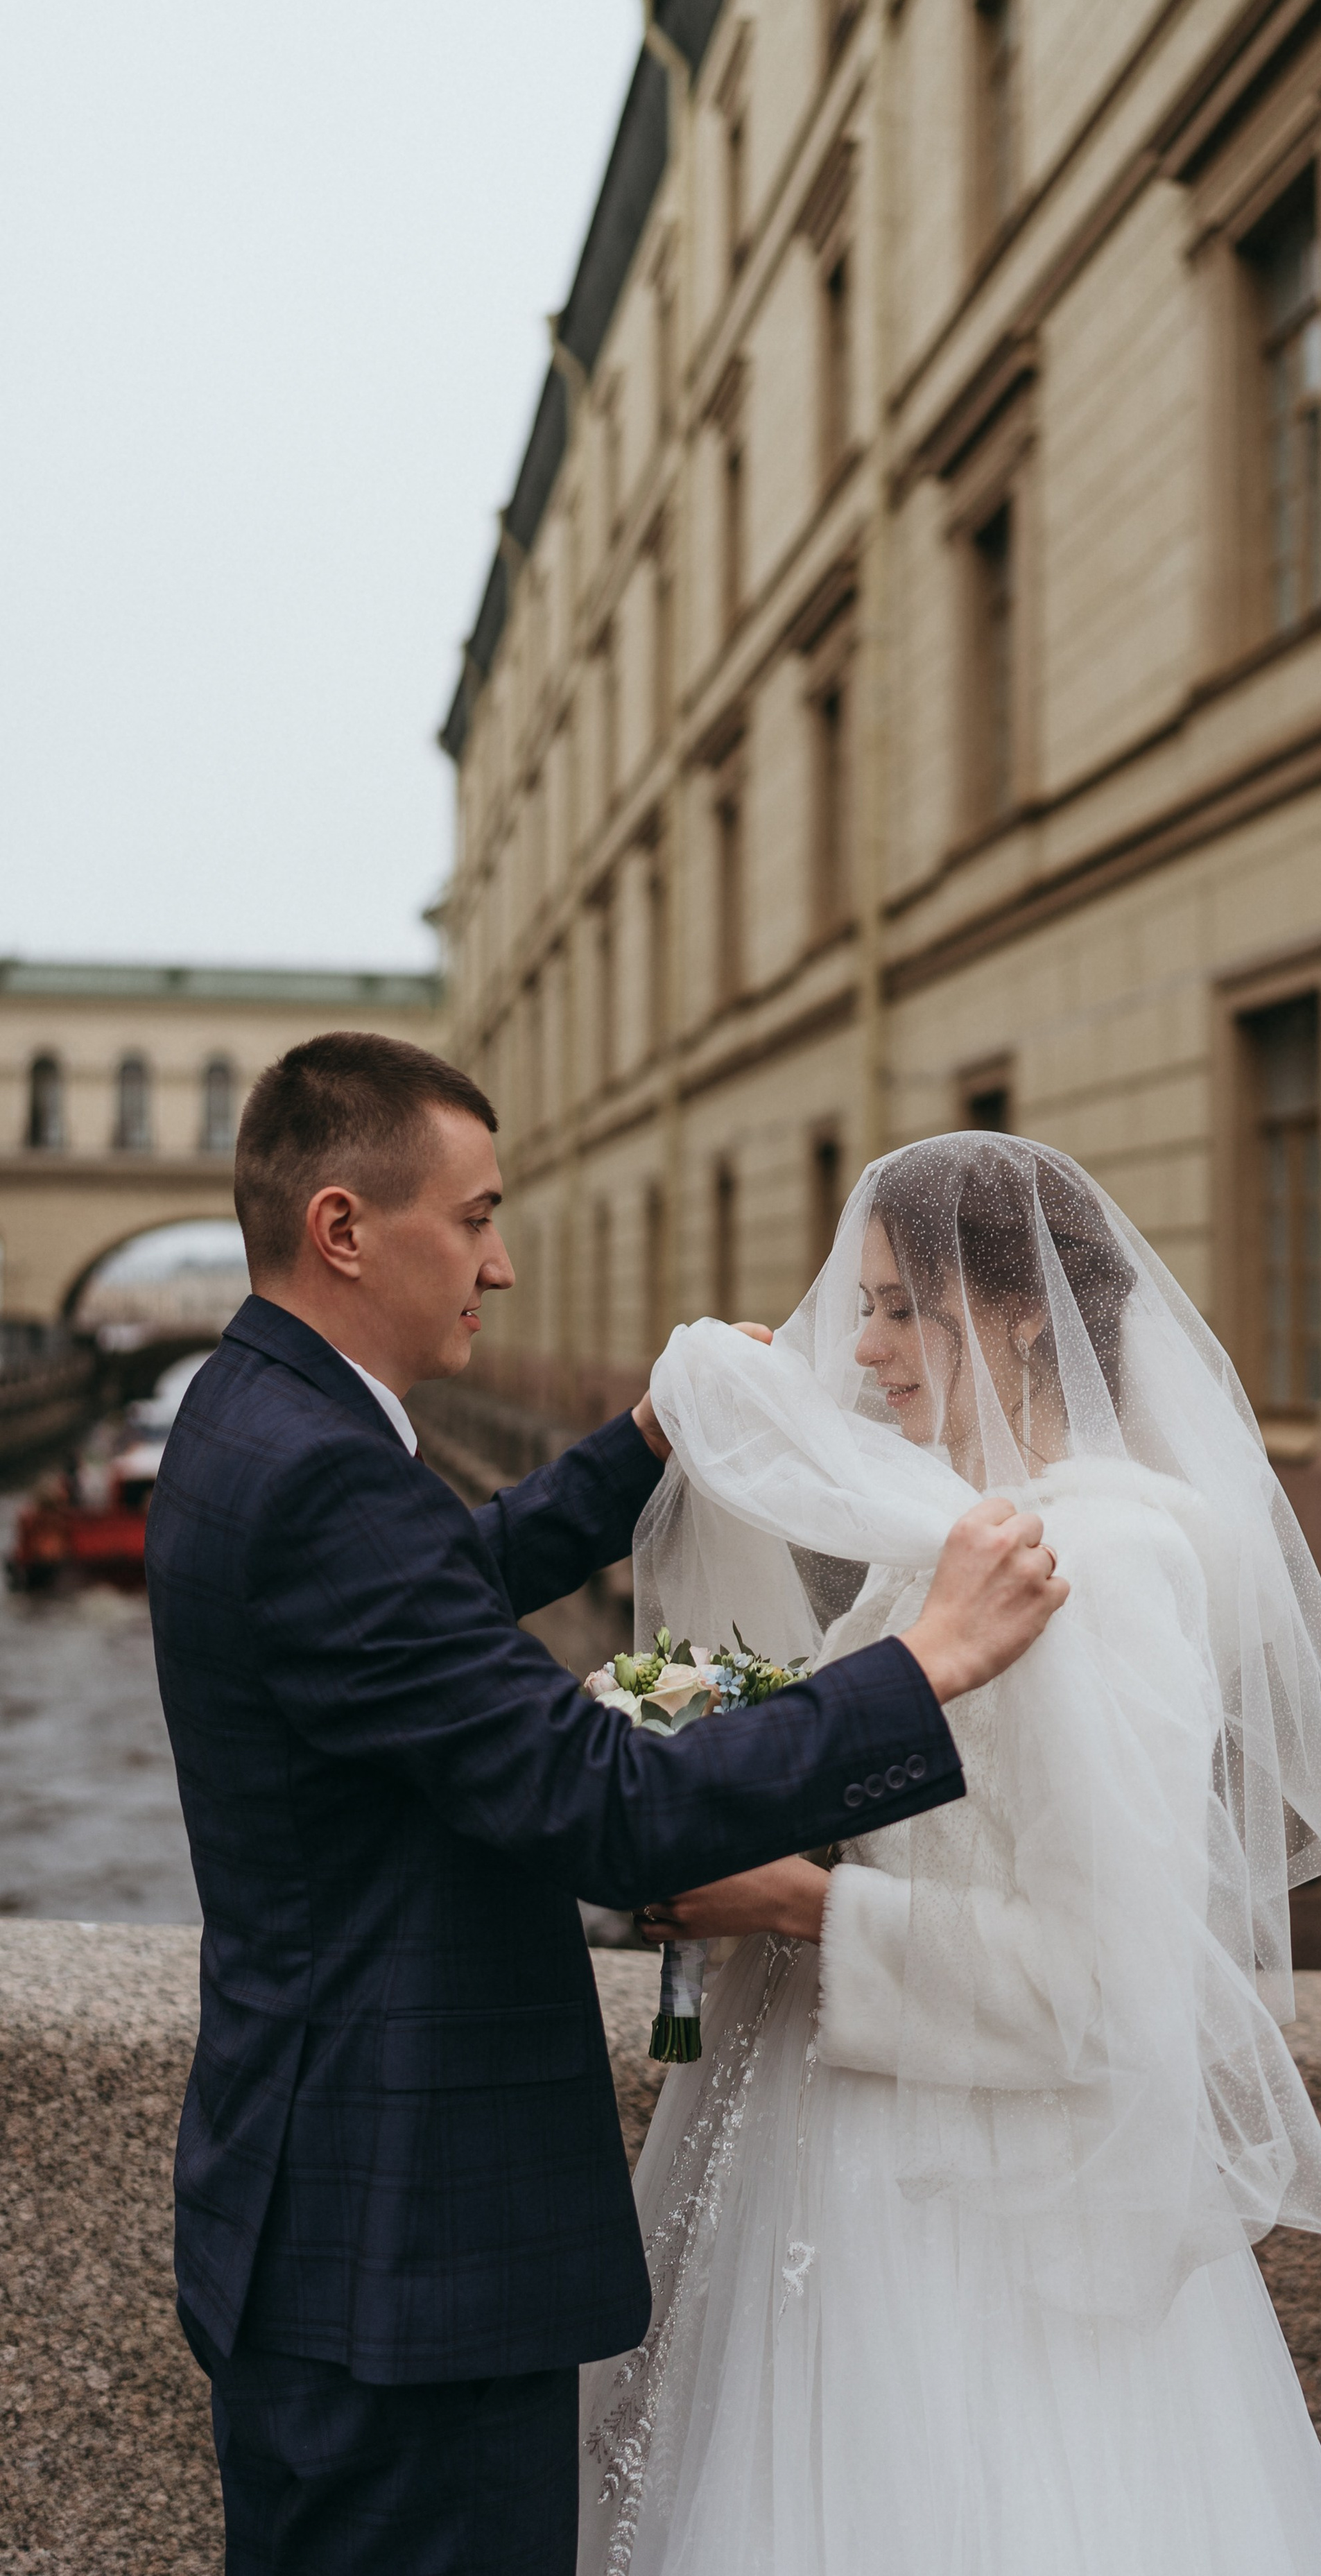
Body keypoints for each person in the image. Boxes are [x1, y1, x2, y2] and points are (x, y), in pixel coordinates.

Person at [145, 1037, 1065, 2576]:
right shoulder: (323, 1478)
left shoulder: (257, 1415)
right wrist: (925, 1665)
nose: (500, 1267)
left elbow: (434, 1595)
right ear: (344, 1230)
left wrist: (639, 1444)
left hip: (331, 2214)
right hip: (401, 2260)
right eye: (477, 1217)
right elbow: (605, 1809)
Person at [579, 1131, 1321, 2576]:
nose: (863, 1346)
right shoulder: (950, 1544)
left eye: (903, 1306)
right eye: (866, 1304)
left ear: (1022, 1311)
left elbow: (1104, 1983)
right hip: (841, 2170)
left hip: (960, 2221)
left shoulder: (1093, 1568)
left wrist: (802, 1906)